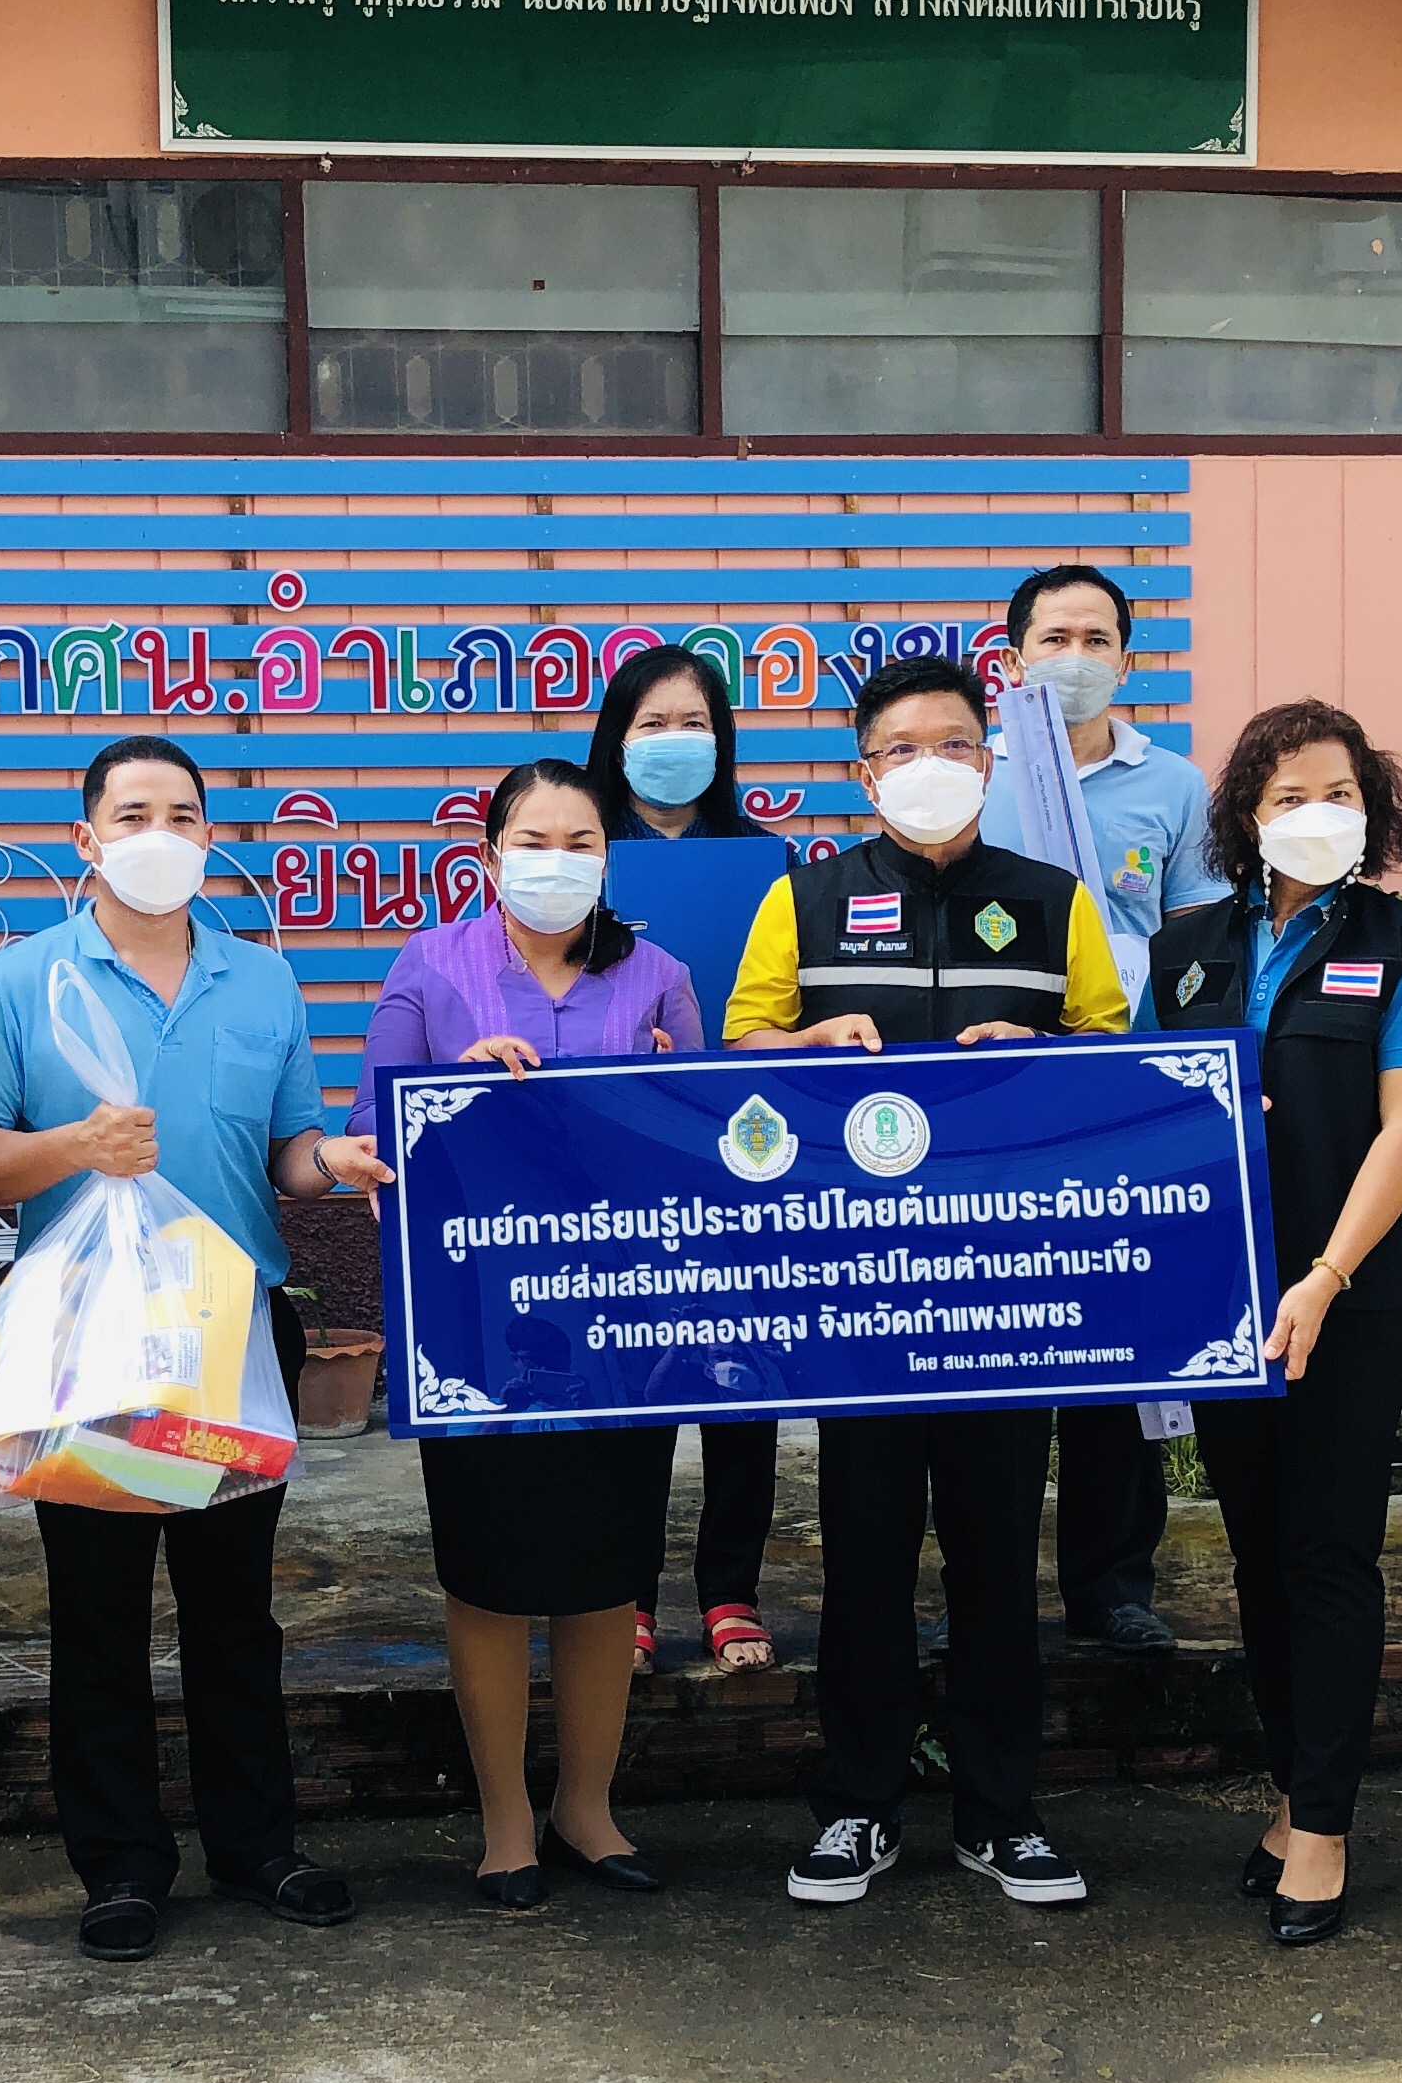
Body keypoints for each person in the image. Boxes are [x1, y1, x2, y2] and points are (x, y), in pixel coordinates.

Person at [0, 735, 396, 1962]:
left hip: (232, 1331)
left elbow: (287, 1148)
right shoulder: (19, 985)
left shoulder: (262, 982)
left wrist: (332, 1162)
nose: (161, 835)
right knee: (98, 1614)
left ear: (208, 837)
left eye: (182, 814)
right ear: (85, 839)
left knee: (235, 1610)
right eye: (133, 814)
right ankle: (122, 1866)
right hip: (87, 1338)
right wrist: (74, 1147)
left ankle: (258, 1846)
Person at [727, 651, 1130, 1908]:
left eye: (953, 744)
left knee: (998, 1559)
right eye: (900, 750)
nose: (928, 767)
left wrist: (1043, 1049)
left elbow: (1117, 1054)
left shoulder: (1053, 900)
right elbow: (740, 1043)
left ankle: (1002, 1815)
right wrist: (808, 1040)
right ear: (865, 774)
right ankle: (860, 1806)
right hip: (861, 1291)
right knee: (864, 1560)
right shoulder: (806, 896)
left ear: (989, 761)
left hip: (1006, 1291)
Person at [1142, 701, 1402, 1946]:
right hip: (1226, 1299)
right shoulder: (1185, 948)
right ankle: (1291, 1794)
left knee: (1329, 1556)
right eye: (1288, 797)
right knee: (1260, 1558)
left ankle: (1324, 1826)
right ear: (1246, 817)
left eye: (1339, 793)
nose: (1315, 815)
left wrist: (1324, 1278)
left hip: (1346, 1298)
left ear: (1371, 810)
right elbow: (1142, 1109)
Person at [360, 759, 702, 1907]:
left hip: (623, 1322)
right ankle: (506, 1819)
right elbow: (373, 1137)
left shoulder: (658, 977)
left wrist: (672, 1102)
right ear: (489, 854)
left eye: (581, 842)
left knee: (606, 1572)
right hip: (480, 1324)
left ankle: (586, 1808)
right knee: (491, 1572)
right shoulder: (431, 965)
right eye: (534, 841)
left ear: (609, 858)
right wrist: (451, 1094)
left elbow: (703, 1151)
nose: (557, 862)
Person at [980, 564, 1232, 1658]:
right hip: (993, 1102)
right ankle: (986, 1587)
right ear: (1013, 658)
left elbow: (1202, 945)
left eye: (1096, 639)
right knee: (995, 1343)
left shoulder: (1174, 786)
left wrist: (1191, 1079)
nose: (1075, 657)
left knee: (1120, 1338)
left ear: (1128, 660)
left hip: (1127, 1097)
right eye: (1054, 638)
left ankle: (1113, 1582)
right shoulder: (969, 774)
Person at [583, 642, 785, 1675]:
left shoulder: (767, 863)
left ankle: (731, 1589)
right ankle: (622, 1593)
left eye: (694, 724)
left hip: (743, 1142)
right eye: (651, 724)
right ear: (616, 741)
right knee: (632, 1376)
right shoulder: (576, 856)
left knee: (742, 1376)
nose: (674, 743)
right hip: (617, 1151)